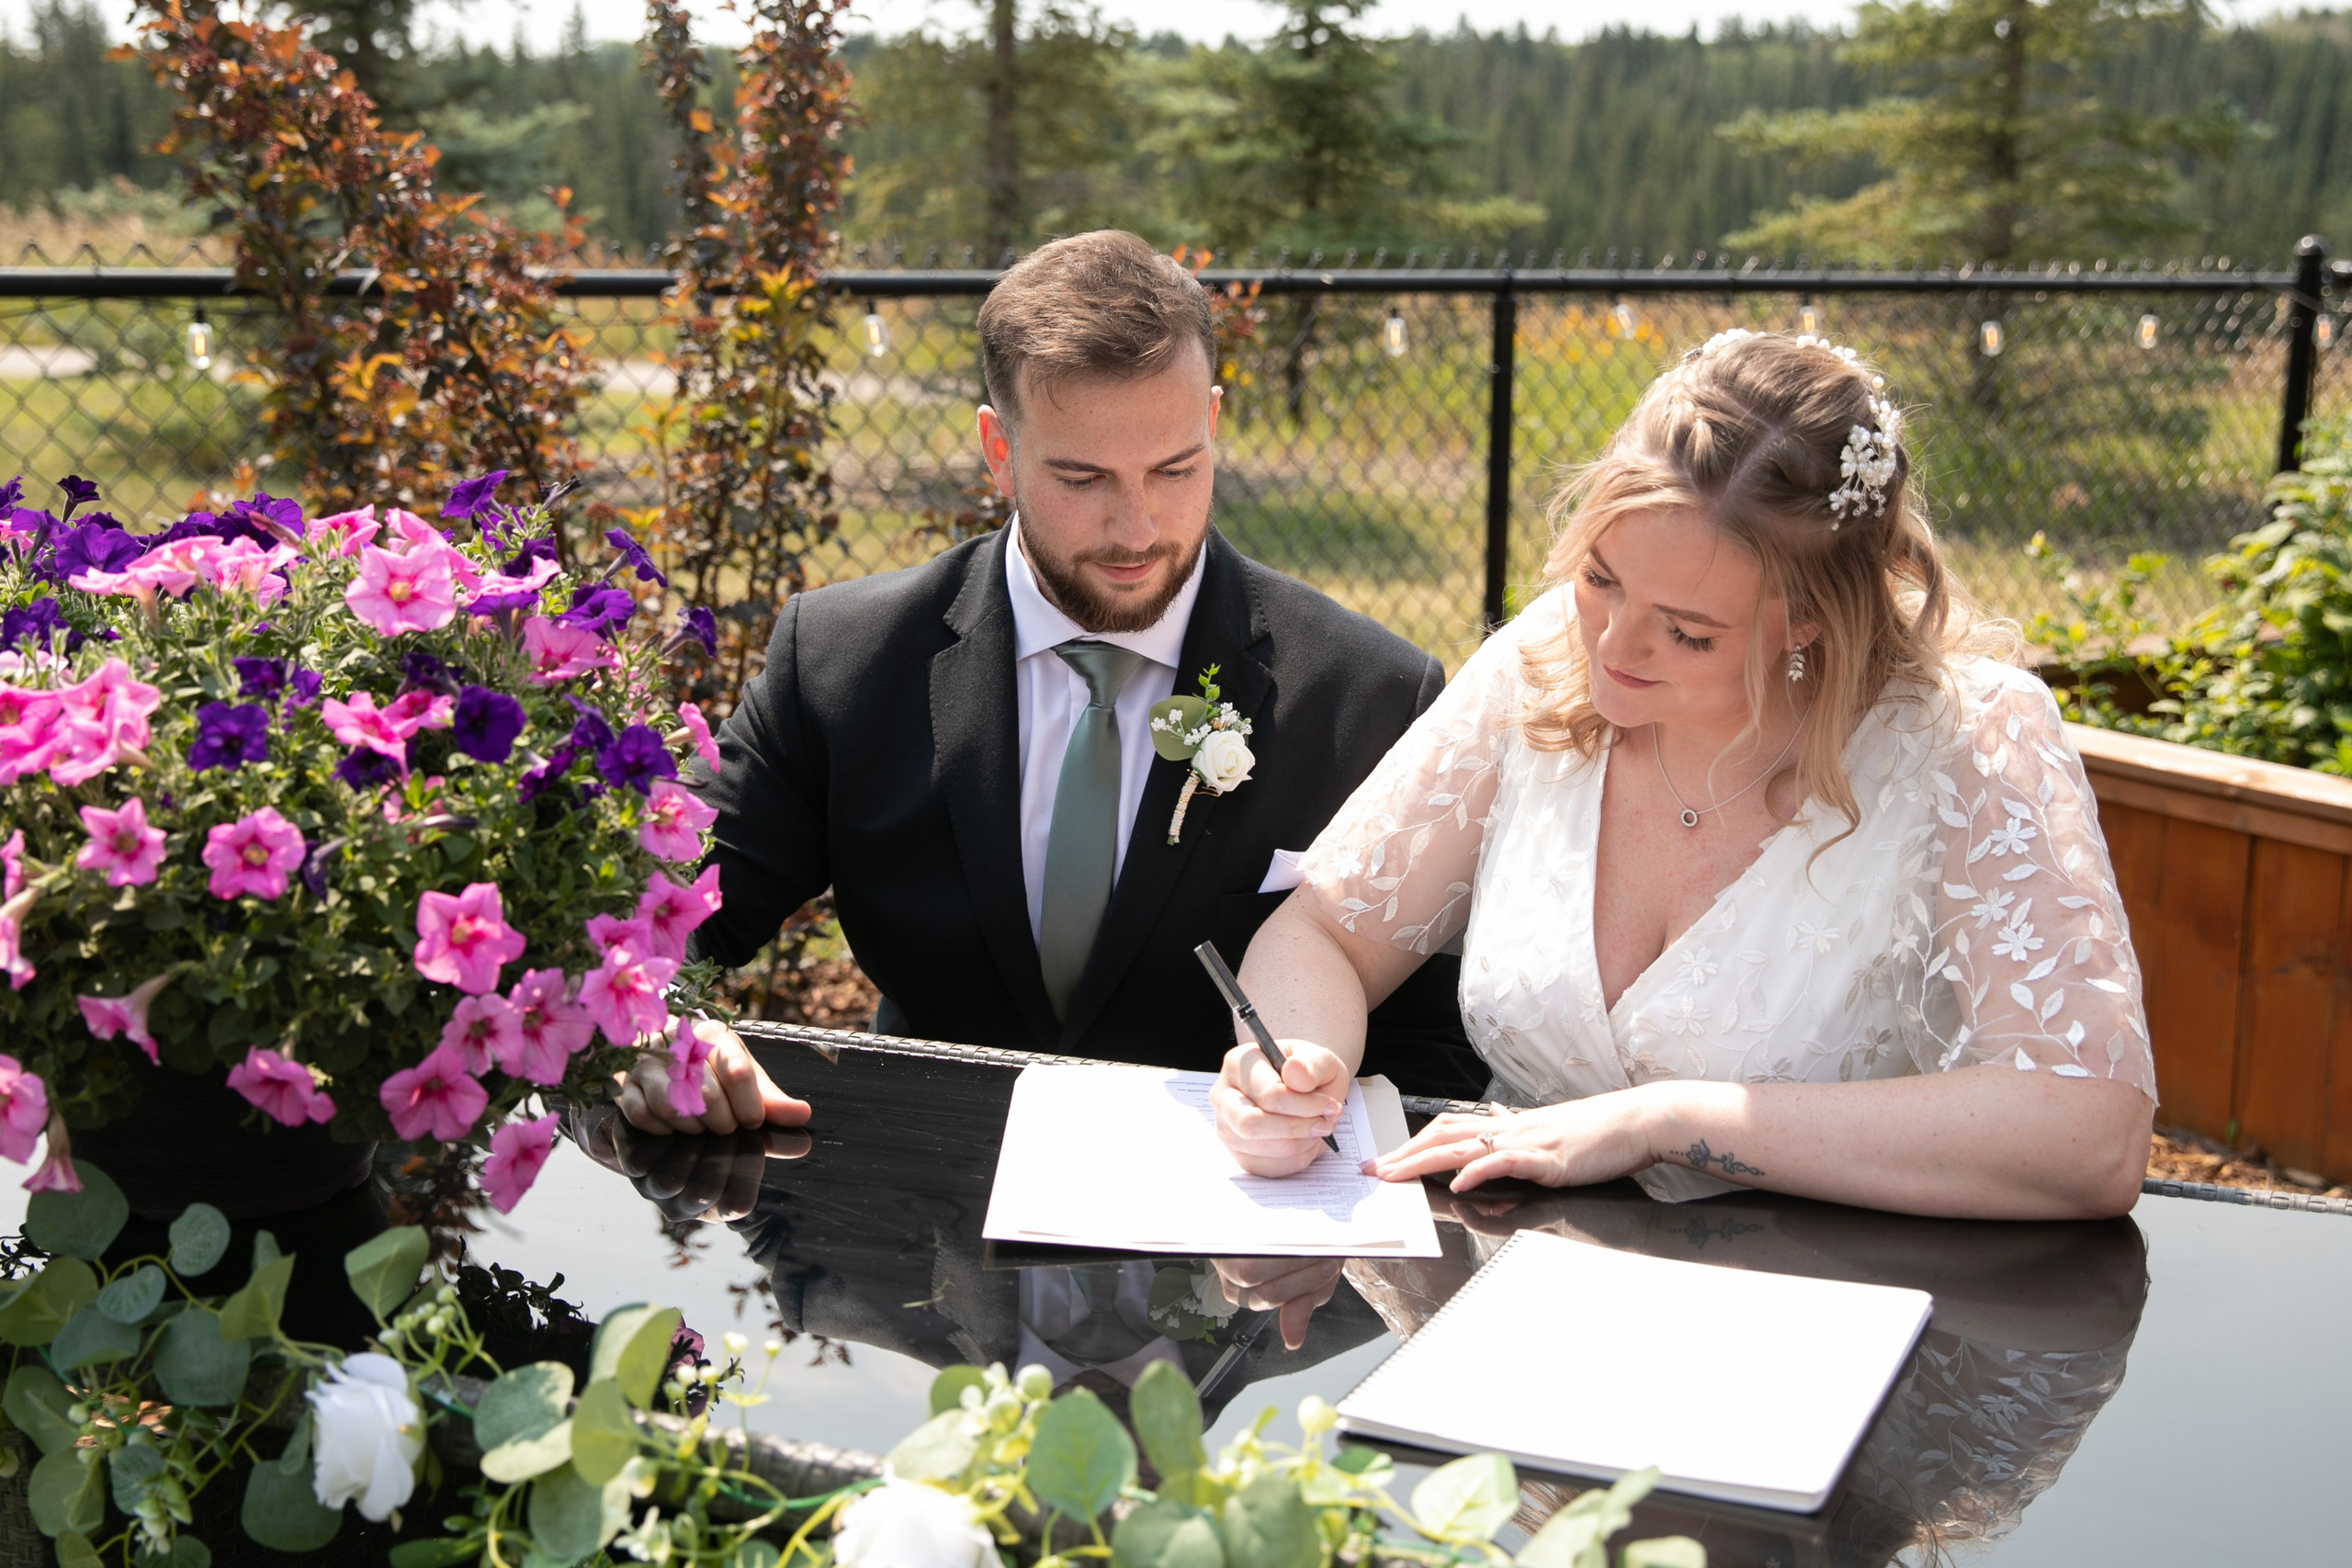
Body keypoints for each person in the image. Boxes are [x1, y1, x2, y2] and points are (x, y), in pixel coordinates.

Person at [1210, 328, 2156, 1219]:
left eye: (1688, 632)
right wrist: (1294, 1063)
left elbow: (2090, 1135)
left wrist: (1668, 1122)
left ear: (1811, 620)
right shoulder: (1544, 660)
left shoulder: (1969, 739)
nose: (1613, 647)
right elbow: (1326, 931)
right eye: (1600, 578)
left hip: (1824, 1295)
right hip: (1511, 1266)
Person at [619, 229, 1479, 1133]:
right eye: (1081, 478)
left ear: (1212, 420)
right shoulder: (842, 663)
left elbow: (1436, 1047)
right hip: (923, 1196)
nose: (1136, 528)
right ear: (999, 448)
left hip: (1239, 1205)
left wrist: (1309, 1115)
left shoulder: (1371, 698)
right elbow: (654, 917)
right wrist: (661, 1026)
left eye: (1175, 469)